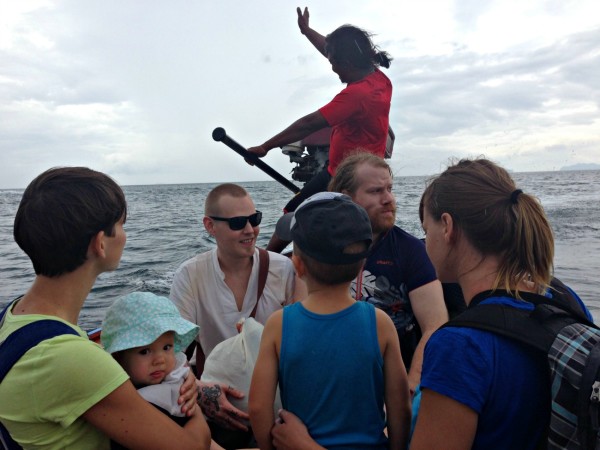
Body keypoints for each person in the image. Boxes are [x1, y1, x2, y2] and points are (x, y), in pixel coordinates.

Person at [0, 167, 209, 449]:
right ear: (100, 243)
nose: (124, 235)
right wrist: (193, 408)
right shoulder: (70, 357)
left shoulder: (12, 318)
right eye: (121, 225)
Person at [410, 158, 556, 448]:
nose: (425, 242)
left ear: (447, 227)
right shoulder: (561, 298)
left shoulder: (460, 346)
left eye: (426, 230)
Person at [249, 192, 411, 450]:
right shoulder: (380, 323)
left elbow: (258, 407)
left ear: (297, 266)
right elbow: (400, 406)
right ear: (361, 267)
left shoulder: (279, 324)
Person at [247, 7, 393, 252]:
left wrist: (265, 146)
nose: (332, 68)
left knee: (293, 215)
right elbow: (329, 48)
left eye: (335, 63)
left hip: (346, 176)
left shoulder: (357, 95)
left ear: (347, 63)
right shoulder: (378, 78)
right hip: (355, 169)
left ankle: (265, 262)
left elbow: (308, 124)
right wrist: (306, 32)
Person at [169, 183, 299, 447]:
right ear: (209, 226)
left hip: (279, 401)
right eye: (238, 222)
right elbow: (173, 351)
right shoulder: (191, 275)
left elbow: (301, 341)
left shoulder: (283, 269)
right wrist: (199, 388)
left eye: (255, 219)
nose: (250, 230)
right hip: (217, 405)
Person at [328, 152, 448, 392]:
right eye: (375, 191)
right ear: (346, 197)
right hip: (332, 378)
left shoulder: (411, 250)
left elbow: (435, 325)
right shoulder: (322, 247)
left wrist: (411, 388)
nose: (389, 199)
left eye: (389, 189)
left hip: (393, 383)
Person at [101, 291, 201, 449]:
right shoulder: (120, 401)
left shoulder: (178, 379)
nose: (160, 360)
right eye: (145, 351)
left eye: (167, 347)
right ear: (119, 358)